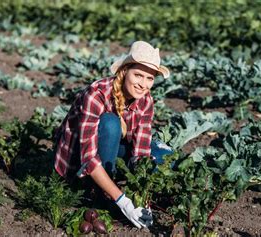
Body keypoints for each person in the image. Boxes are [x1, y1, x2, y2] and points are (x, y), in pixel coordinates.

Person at [53, 41, 174, 229]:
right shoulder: (97, 94)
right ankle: (98, 194)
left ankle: (112, 186)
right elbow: (89, 159)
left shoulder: (146, 100)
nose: (143, 84)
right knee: (111, 124)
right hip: (78, 161)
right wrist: (123, 201)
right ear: (124, 71)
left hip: (111, 151)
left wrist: (142, 196)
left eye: (149, 78)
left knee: (164, 155)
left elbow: (140, 153)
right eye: (138, 75)